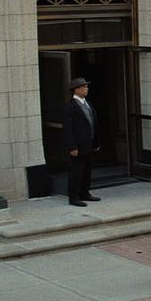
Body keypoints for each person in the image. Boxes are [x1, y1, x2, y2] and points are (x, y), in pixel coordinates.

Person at [61, 78, 101, 207]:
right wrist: (72, 146)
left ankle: (85, 192)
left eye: (86, 87)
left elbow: (93, 123)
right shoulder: (70, 107)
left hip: (89, 143)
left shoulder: (87, 104)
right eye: (84, 87)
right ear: (76, 89)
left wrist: (96, 142)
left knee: (87, 169)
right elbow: (68, 129)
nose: (86, 89)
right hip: (78, 145)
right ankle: (73, 196)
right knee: (76, 171)